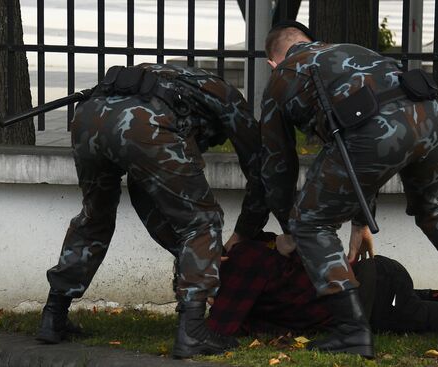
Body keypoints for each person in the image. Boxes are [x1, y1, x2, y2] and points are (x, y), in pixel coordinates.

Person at [226, 21, 438, 358]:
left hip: (371, 130)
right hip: (429, 113)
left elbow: (278, 168)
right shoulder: (350, 53)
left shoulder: (282, 76)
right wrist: (361, 223)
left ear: (272, 63)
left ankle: (351, 331)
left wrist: (292, 230)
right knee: (435, 205)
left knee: (310, 223)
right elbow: (360, 157)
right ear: (313, 41)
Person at [35, 63, 269, 359]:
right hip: (145, 124)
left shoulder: (171, 81)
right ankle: (192, 331)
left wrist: (190, 256)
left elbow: (149, 199)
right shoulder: (228, 99)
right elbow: (260, 170)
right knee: (202, 221)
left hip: (88, 117)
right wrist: (245, 232)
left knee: (94, 217)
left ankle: (53, 315)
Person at [209, 232, 438, 337]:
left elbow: (223, 329)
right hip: (371, 278)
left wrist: (213, 303)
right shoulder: (252, 252)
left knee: (416, 316)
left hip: (371, 294)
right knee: (405, 301)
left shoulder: (240, 265)